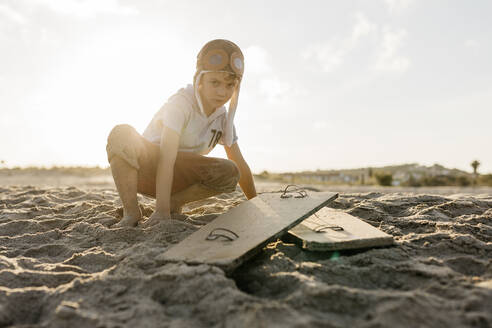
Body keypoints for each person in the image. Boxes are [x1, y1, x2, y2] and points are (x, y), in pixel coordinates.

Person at [106, 39, 257, 227]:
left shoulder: (223, 118)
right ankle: (132, 213)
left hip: (180, 179)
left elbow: (240, 164)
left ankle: (173, 202)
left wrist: (257, 205)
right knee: (121, 134)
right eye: (215, 82)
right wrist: (160, 212)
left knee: (230, 170)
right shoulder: (181, 104)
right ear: (200, 80)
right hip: (147, 169)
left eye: (229, 85)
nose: (222, 92)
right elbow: (166, 158)